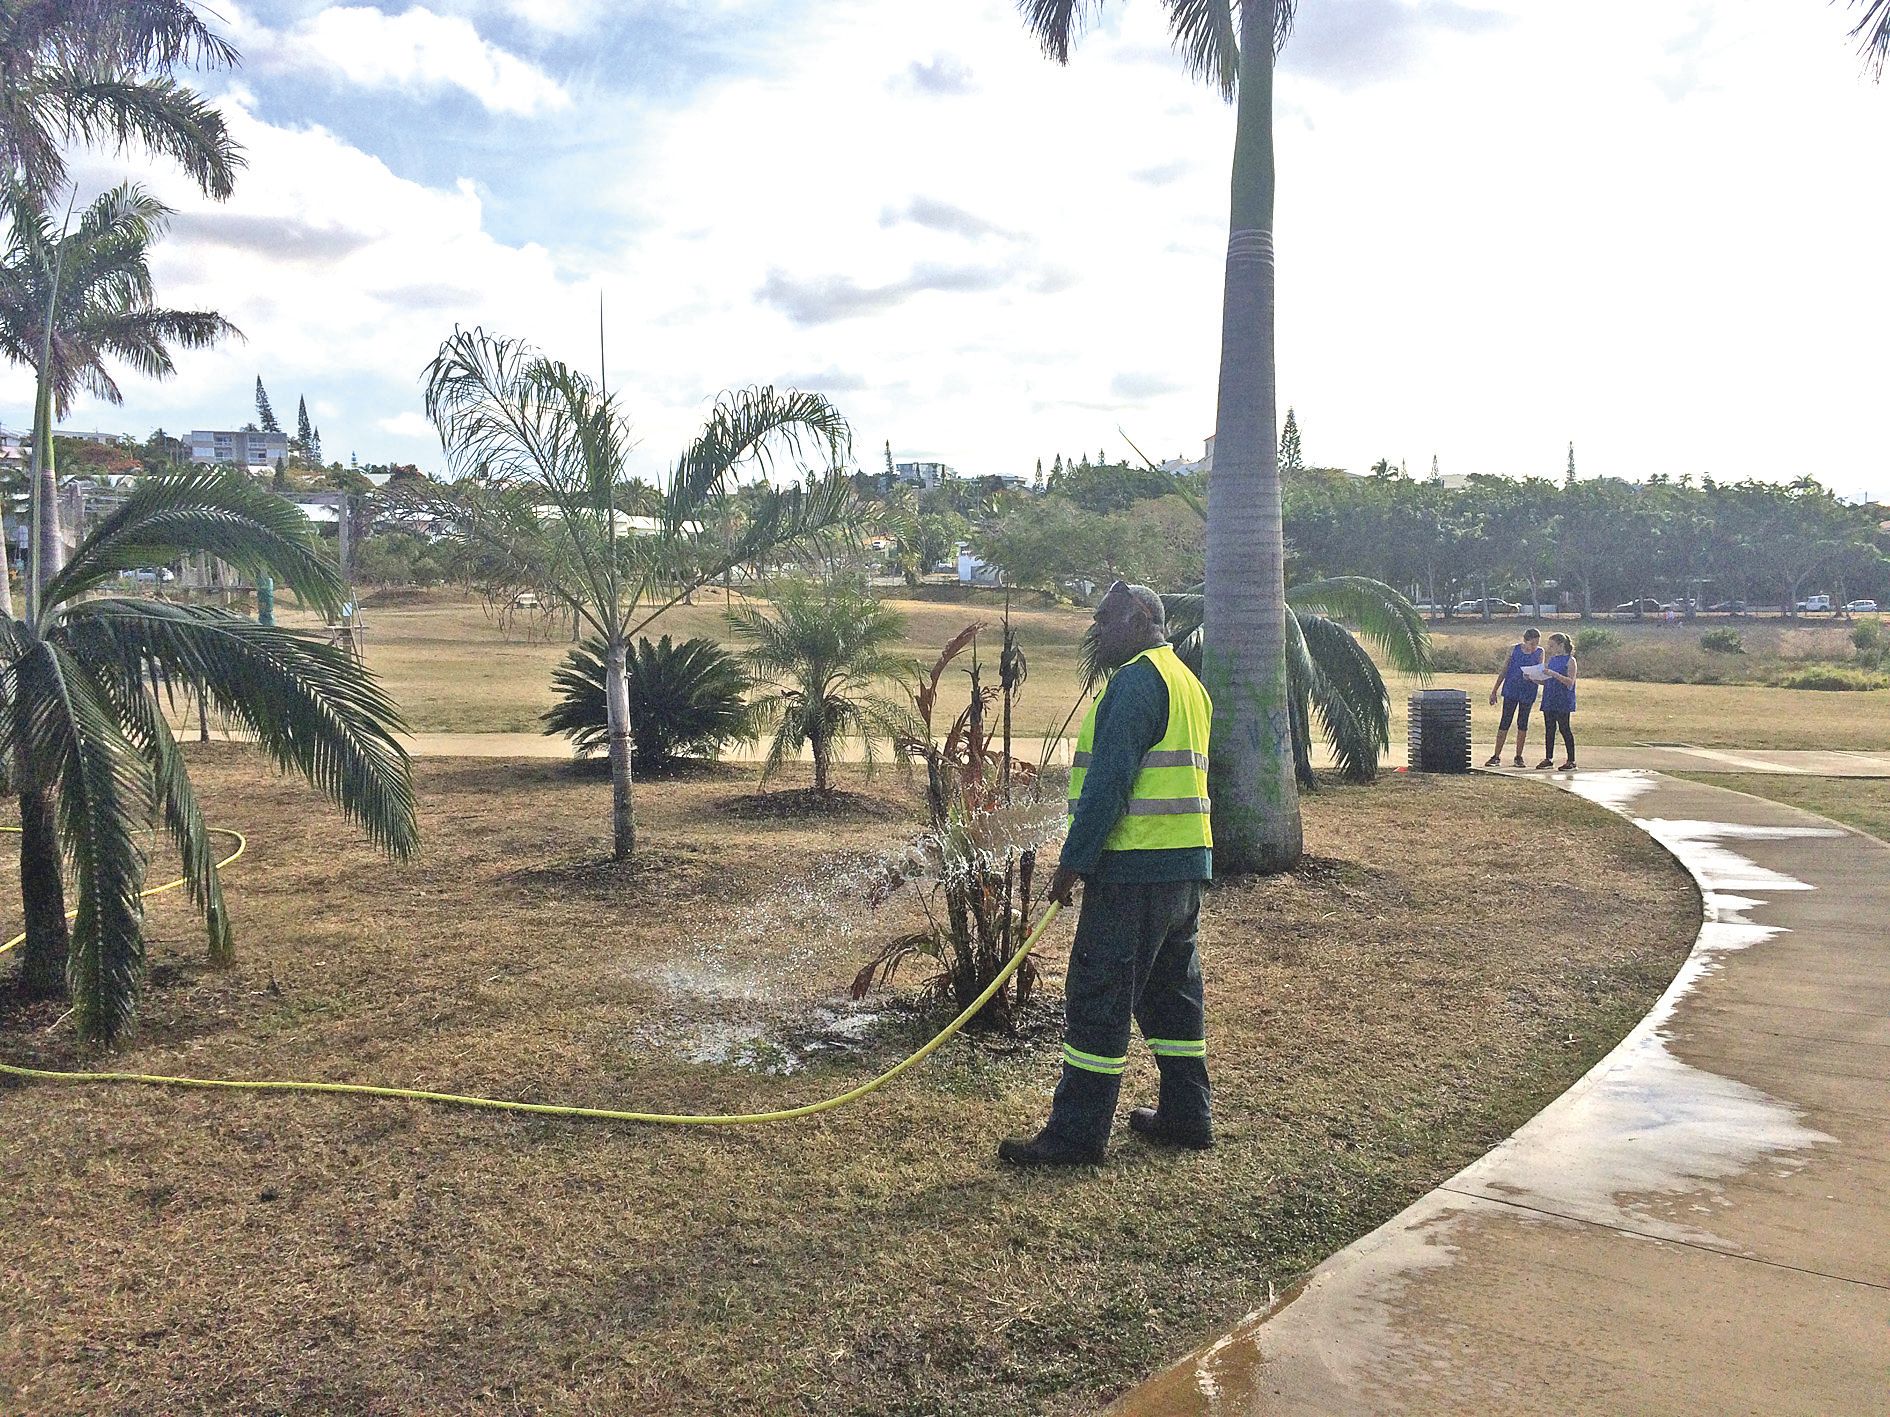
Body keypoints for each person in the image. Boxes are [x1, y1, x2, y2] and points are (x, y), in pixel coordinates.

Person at [999, 582, 1214, 1167]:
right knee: (1171, 995)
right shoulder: (1187, 684)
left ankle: (1075, 1134)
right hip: (1184, 869)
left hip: (1133, 871)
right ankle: (1186, 1114)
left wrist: (1074, 862)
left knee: (1099, 993)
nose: (1097, 630)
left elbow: (1108, 787)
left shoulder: (1137, 683)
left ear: (1142, 619)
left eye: (1106, 619)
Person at [1485, 627, 1543, 768]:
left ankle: (1518, 756)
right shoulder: (1514, 650)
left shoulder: (1540, 652)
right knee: (1505, 721)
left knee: (1522, 723)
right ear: (1525, 641)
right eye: (1531, 644)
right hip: (1512, 689)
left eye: (1536, 643)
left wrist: (1532, 676)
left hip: (1528, 690)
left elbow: (1540, 672)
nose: (1534, 647)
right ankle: (1496, 755)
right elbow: (1504, 670)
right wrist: (1494, 690)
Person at [1537, 632, 1578, 770]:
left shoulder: (1570, 660)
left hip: (1563, 699)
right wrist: (1533, 678)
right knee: (1549, 728)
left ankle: (1571, 760)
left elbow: (1569, 682)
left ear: (1561, 645)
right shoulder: (1553, 660)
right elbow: (1547, 680)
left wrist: (1554, 674)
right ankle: (1548, 758)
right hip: (1550, 697)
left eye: (1552, 645)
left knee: (1564, 728)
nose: (1550, 648)